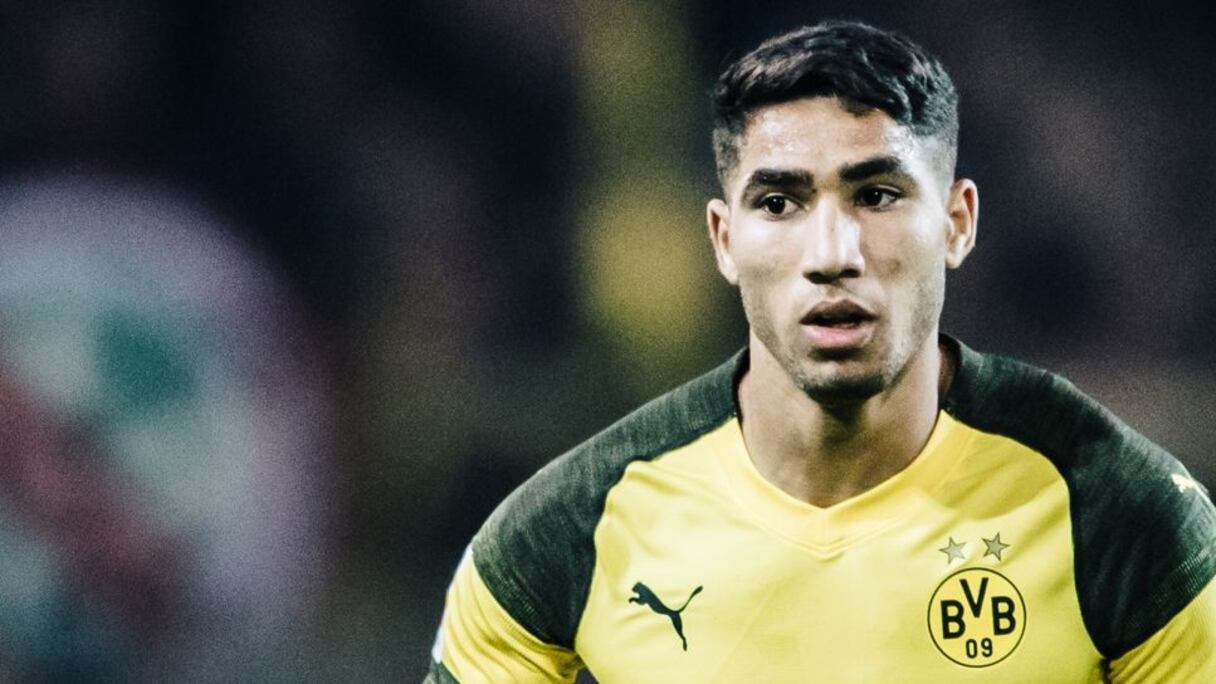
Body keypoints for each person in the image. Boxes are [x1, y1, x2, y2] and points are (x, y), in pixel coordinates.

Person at [426, 20, 1216, 682]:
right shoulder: (567, 533)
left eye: (877, 195)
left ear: (957, 222)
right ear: (724, 240)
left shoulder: (1119, 516)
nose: (833, 252)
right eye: (780, 203)